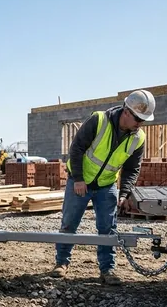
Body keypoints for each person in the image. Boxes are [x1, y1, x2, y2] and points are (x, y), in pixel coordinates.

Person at [49, 89, 154, 285]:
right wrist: (79, 179)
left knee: (108, 229)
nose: (140, 124)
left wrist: (124, 194)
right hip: (80, 182)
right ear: (126, 111)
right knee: (69, 223)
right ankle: (61, 263)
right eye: (138, 119)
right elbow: (77, 148)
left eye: (143, 120)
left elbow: (132, 168)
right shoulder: (99, 120)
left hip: (106, 185)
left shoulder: (138, 138)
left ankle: (108, 269)